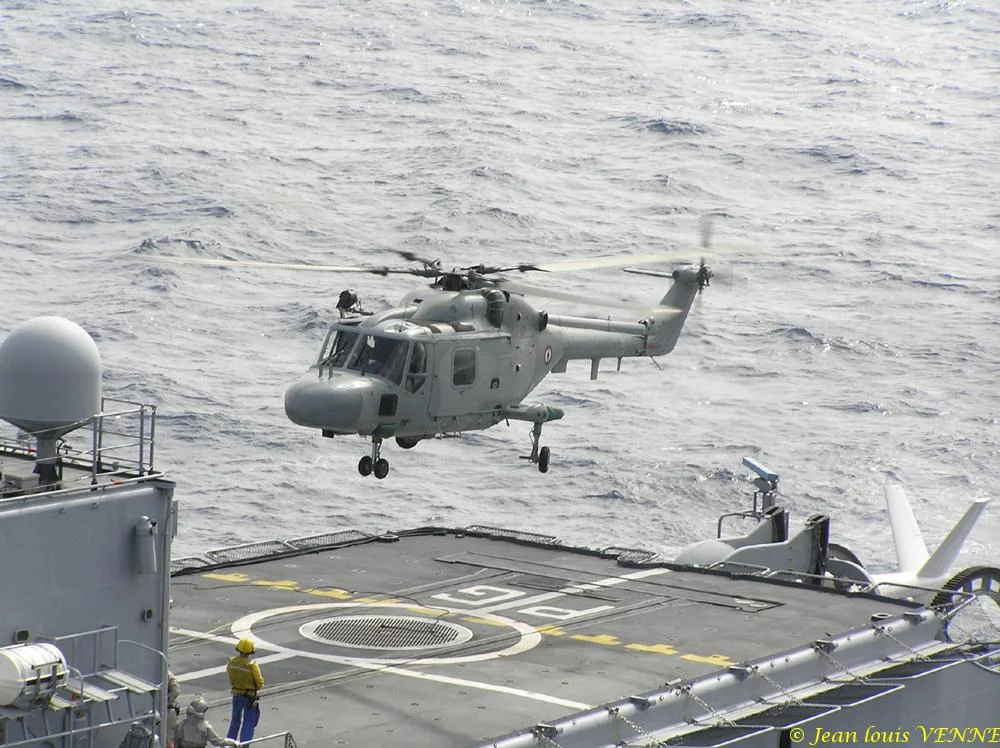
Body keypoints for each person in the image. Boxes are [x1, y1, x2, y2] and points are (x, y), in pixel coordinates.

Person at [226, 638, 264, 745]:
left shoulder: (231, 661)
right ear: (251, 650)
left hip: (236, 695)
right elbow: (259, 683)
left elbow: (231, 678)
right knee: (248, 722)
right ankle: (244, 745)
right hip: (250, 697)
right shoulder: (252, 665)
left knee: (235, 720)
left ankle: (229, 744)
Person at [166, 670, 181, 748]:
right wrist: (166, 702)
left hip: (149, 712)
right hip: (167, 711)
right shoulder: (167, 673)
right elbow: (176, 691)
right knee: (169, 739)